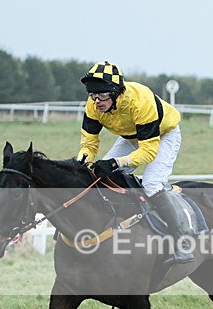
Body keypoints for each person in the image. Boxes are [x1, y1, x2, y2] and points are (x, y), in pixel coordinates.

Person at [78, 61, 194, 263]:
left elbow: (148, 152)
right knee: (98, 177)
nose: (97, 100)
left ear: (116, 92)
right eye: (92, 94)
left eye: (102, 94)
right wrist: (81, 162)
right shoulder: (93, 106)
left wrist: (115, 163)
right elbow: (89, 144)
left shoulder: (140, 100)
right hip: (130, 136)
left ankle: (182, 240)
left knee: (151, 184)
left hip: (164, 135)